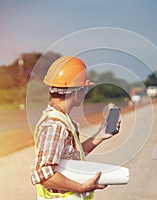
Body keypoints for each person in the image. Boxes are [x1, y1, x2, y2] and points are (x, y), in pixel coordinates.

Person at [31, 56, 120, 200]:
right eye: (85, 88)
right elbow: (43, 174)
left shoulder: (62, 120)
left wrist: (100, 135)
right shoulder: (55, 126)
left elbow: (69, 156)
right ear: (77, 92)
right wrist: (82, 187)